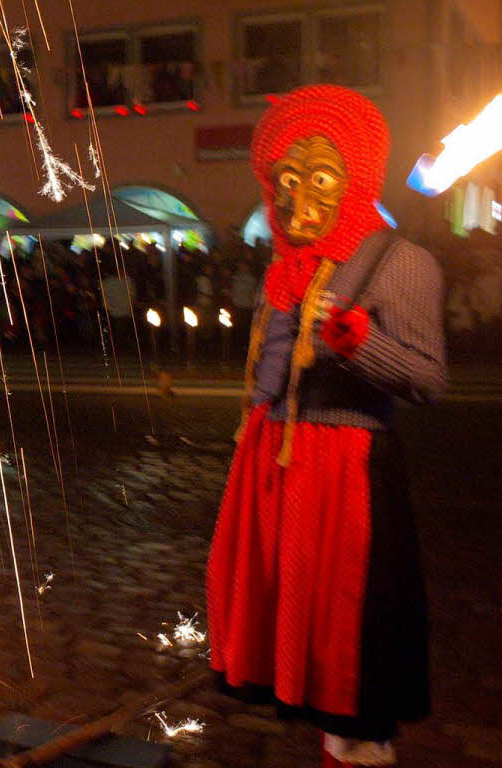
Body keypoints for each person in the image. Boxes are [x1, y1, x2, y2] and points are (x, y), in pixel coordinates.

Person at [206, 85, 447, 768]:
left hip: (347, 472)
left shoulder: (400, 262)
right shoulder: (284, 269)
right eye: (284, 178)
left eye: (317, 177)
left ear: (354, 180)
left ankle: (359, 752)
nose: (296, 196)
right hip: (274, 462)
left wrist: (357, 341)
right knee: (298, 642)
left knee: (351, 650)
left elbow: (429, 379)